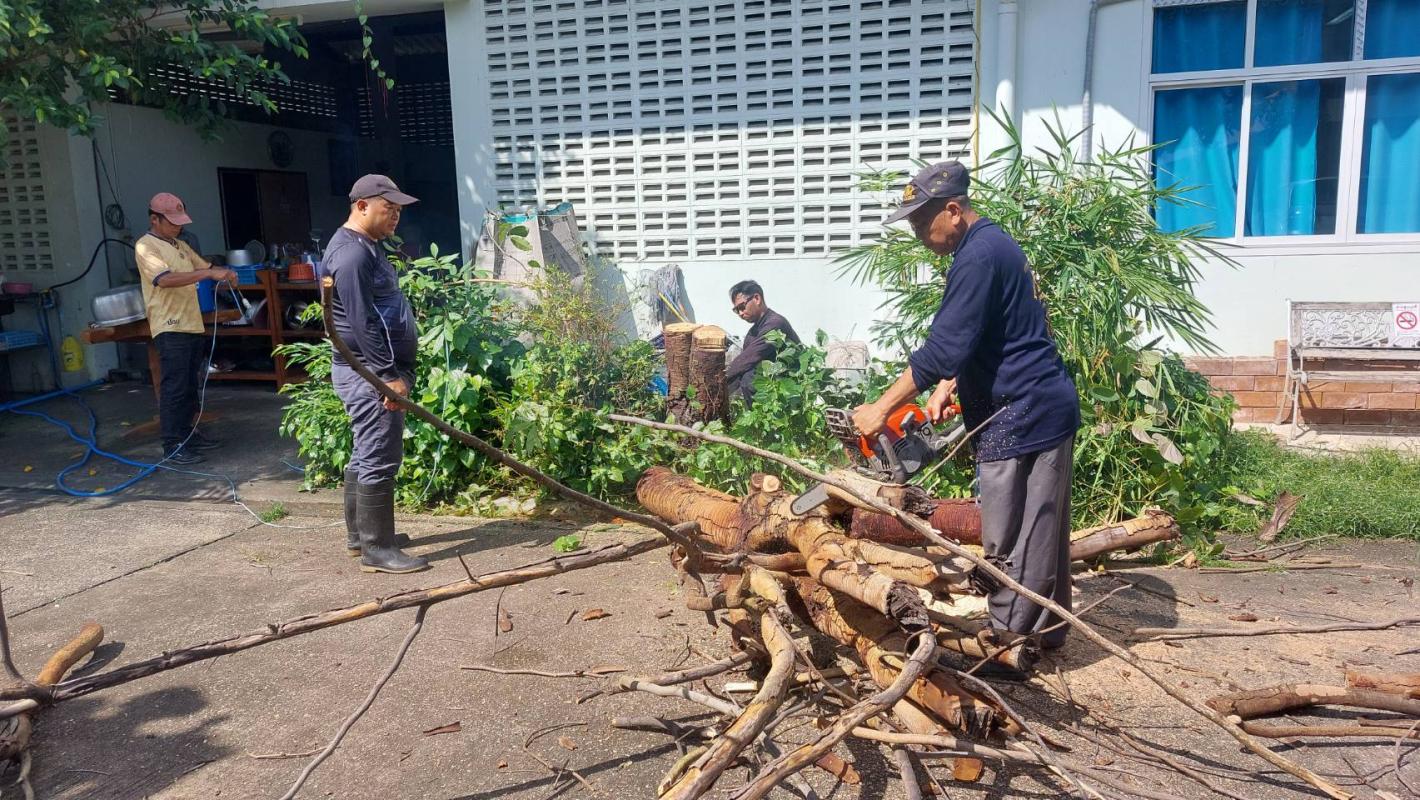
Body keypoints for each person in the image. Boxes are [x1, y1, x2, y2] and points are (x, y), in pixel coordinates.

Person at [851, 161, 1080, 651]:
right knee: (1043, 534)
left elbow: (941, 347)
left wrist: (880, 409)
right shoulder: (992, 244)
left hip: (1024, 411)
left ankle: (1008, 642)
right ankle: (1046, 632)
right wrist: (948, 383)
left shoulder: (977, 257)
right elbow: (991, 329)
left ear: (953, 210)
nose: (917, 233)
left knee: (1012, 538)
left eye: (921, 221)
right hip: (1037, 402)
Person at [324, 175, 427, 574]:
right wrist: (387, 375)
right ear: (363, 205)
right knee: (380, 456)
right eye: (389, 208)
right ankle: (377, 549)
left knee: (366, 451)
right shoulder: (352, 255)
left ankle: (361, 538)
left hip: (370, 369)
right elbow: (361, 320)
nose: (396, 216)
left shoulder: (366, 245)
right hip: (369, 373)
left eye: (399, 210)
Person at [133, 193, 238, 465]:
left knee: (191, 385)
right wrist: (209, 274)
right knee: (175, 387)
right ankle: (173, 444)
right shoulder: (146, 246)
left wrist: (225, 272)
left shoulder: (181, 245)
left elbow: (206, 266)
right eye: (172, 222)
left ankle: (189, 434)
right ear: (154, 220)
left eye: (180, 222)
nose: (178, 227)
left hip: (192, 323)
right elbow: (164, 279)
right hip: (170, 326)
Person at [725, 280, 800, 404]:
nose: (740, 313)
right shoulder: (752, 333)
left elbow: (749, 358)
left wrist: (721, 379)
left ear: (757, 298)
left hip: (791, 386)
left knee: (749, 379)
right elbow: (741, 368)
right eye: (736, 310)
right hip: (773, 384)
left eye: (742, 307)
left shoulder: (775, 324)